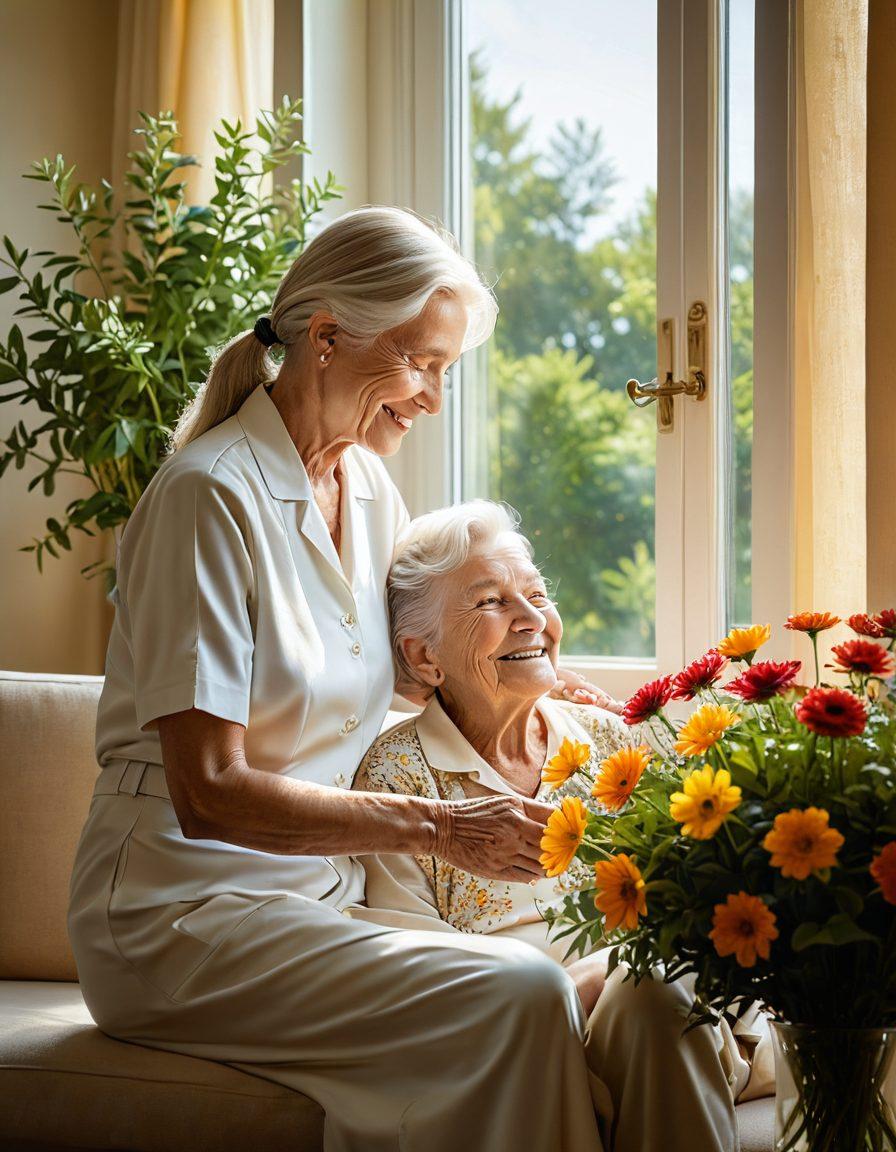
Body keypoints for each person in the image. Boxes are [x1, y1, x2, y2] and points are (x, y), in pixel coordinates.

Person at [67, 205, 622, 1152]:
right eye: (422, 363)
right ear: (327, 337)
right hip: (180, 914)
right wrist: (443, 828)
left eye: (446, 371)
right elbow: (208, 792)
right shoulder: (209, 495)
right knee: (528, 990)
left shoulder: (367, 492)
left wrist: (528, 680)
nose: (433, 398)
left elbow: (393, 676)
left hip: (318, 902)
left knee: (562, 982)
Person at [350, 499, 776, 1152]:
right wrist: (557, 999)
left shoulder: (614, 742)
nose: (532, 619)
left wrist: (596, 978)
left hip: (654, 1011)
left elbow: (696, 901)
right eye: (491, 602)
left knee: (649, 993)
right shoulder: (397, 777)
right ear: (424, 656)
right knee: (650, 994)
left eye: (538, 595)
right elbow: (420, 968)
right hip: (521, 1035)